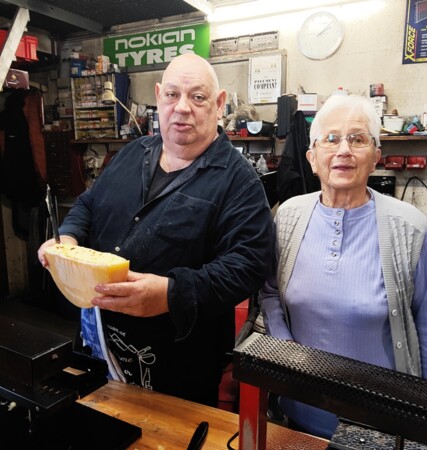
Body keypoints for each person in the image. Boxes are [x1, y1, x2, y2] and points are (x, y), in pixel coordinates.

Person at [38, 53, 274, 407]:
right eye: (172, 95)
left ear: (219, 103)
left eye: (197, 97)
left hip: (179, 362)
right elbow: (88, 204)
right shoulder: (134, 153)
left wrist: (172, 295)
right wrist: (67, 237)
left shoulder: (238, 180)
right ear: (159, 97)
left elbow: (250, 263)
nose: (182, 108)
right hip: (99, 337)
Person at [260, 94, 427, 439]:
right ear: (312, 158)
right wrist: (285, 351)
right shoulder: (287, 216)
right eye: (331, 139)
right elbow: (270, 292)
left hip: (380, 423)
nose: (343, 149)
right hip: (298, 412)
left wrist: (423, 417)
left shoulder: (410, 227)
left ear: (375, 156)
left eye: (357, 138)